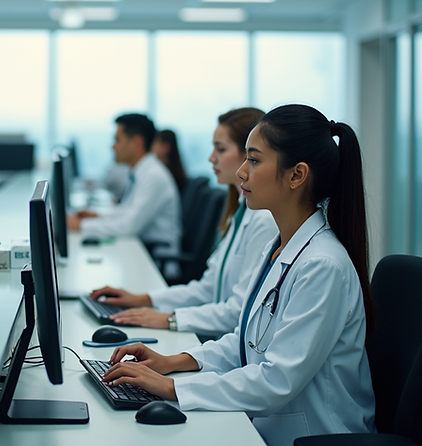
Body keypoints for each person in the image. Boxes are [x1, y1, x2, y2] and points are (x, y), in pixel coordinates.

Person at [100, 104, 376, 446]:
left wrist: (173, 387)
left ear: (296, 175)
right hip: (268, 423)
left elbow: (276, 380)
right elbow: (245, 342)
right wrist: (171, 362)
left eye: (255, 160)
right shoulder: (281, 248)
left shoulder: (323, 266)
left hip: (312, 434)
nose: (242, 172)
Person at [89, 108, 278, 338]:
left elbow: (238, 310)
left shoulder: (263, 221)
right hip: (217, 335)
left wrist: (168, 318)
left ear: (248, 156)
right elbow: (208, 289)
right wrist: (144, 299)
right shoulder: (238, 212)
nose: (211, 157)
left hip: (224, 339)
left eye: (221, 149)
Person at [68, 114, 181, 251]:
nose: (113, 147)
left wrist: (81, 225)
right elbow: (127, 211)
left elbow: (129, 226)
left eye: (117, 140)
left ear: (137, 143)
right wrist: (96, 216)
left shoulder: (153, 176)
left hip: (155, 260)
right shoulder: (141, 171)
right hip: (141, 249)